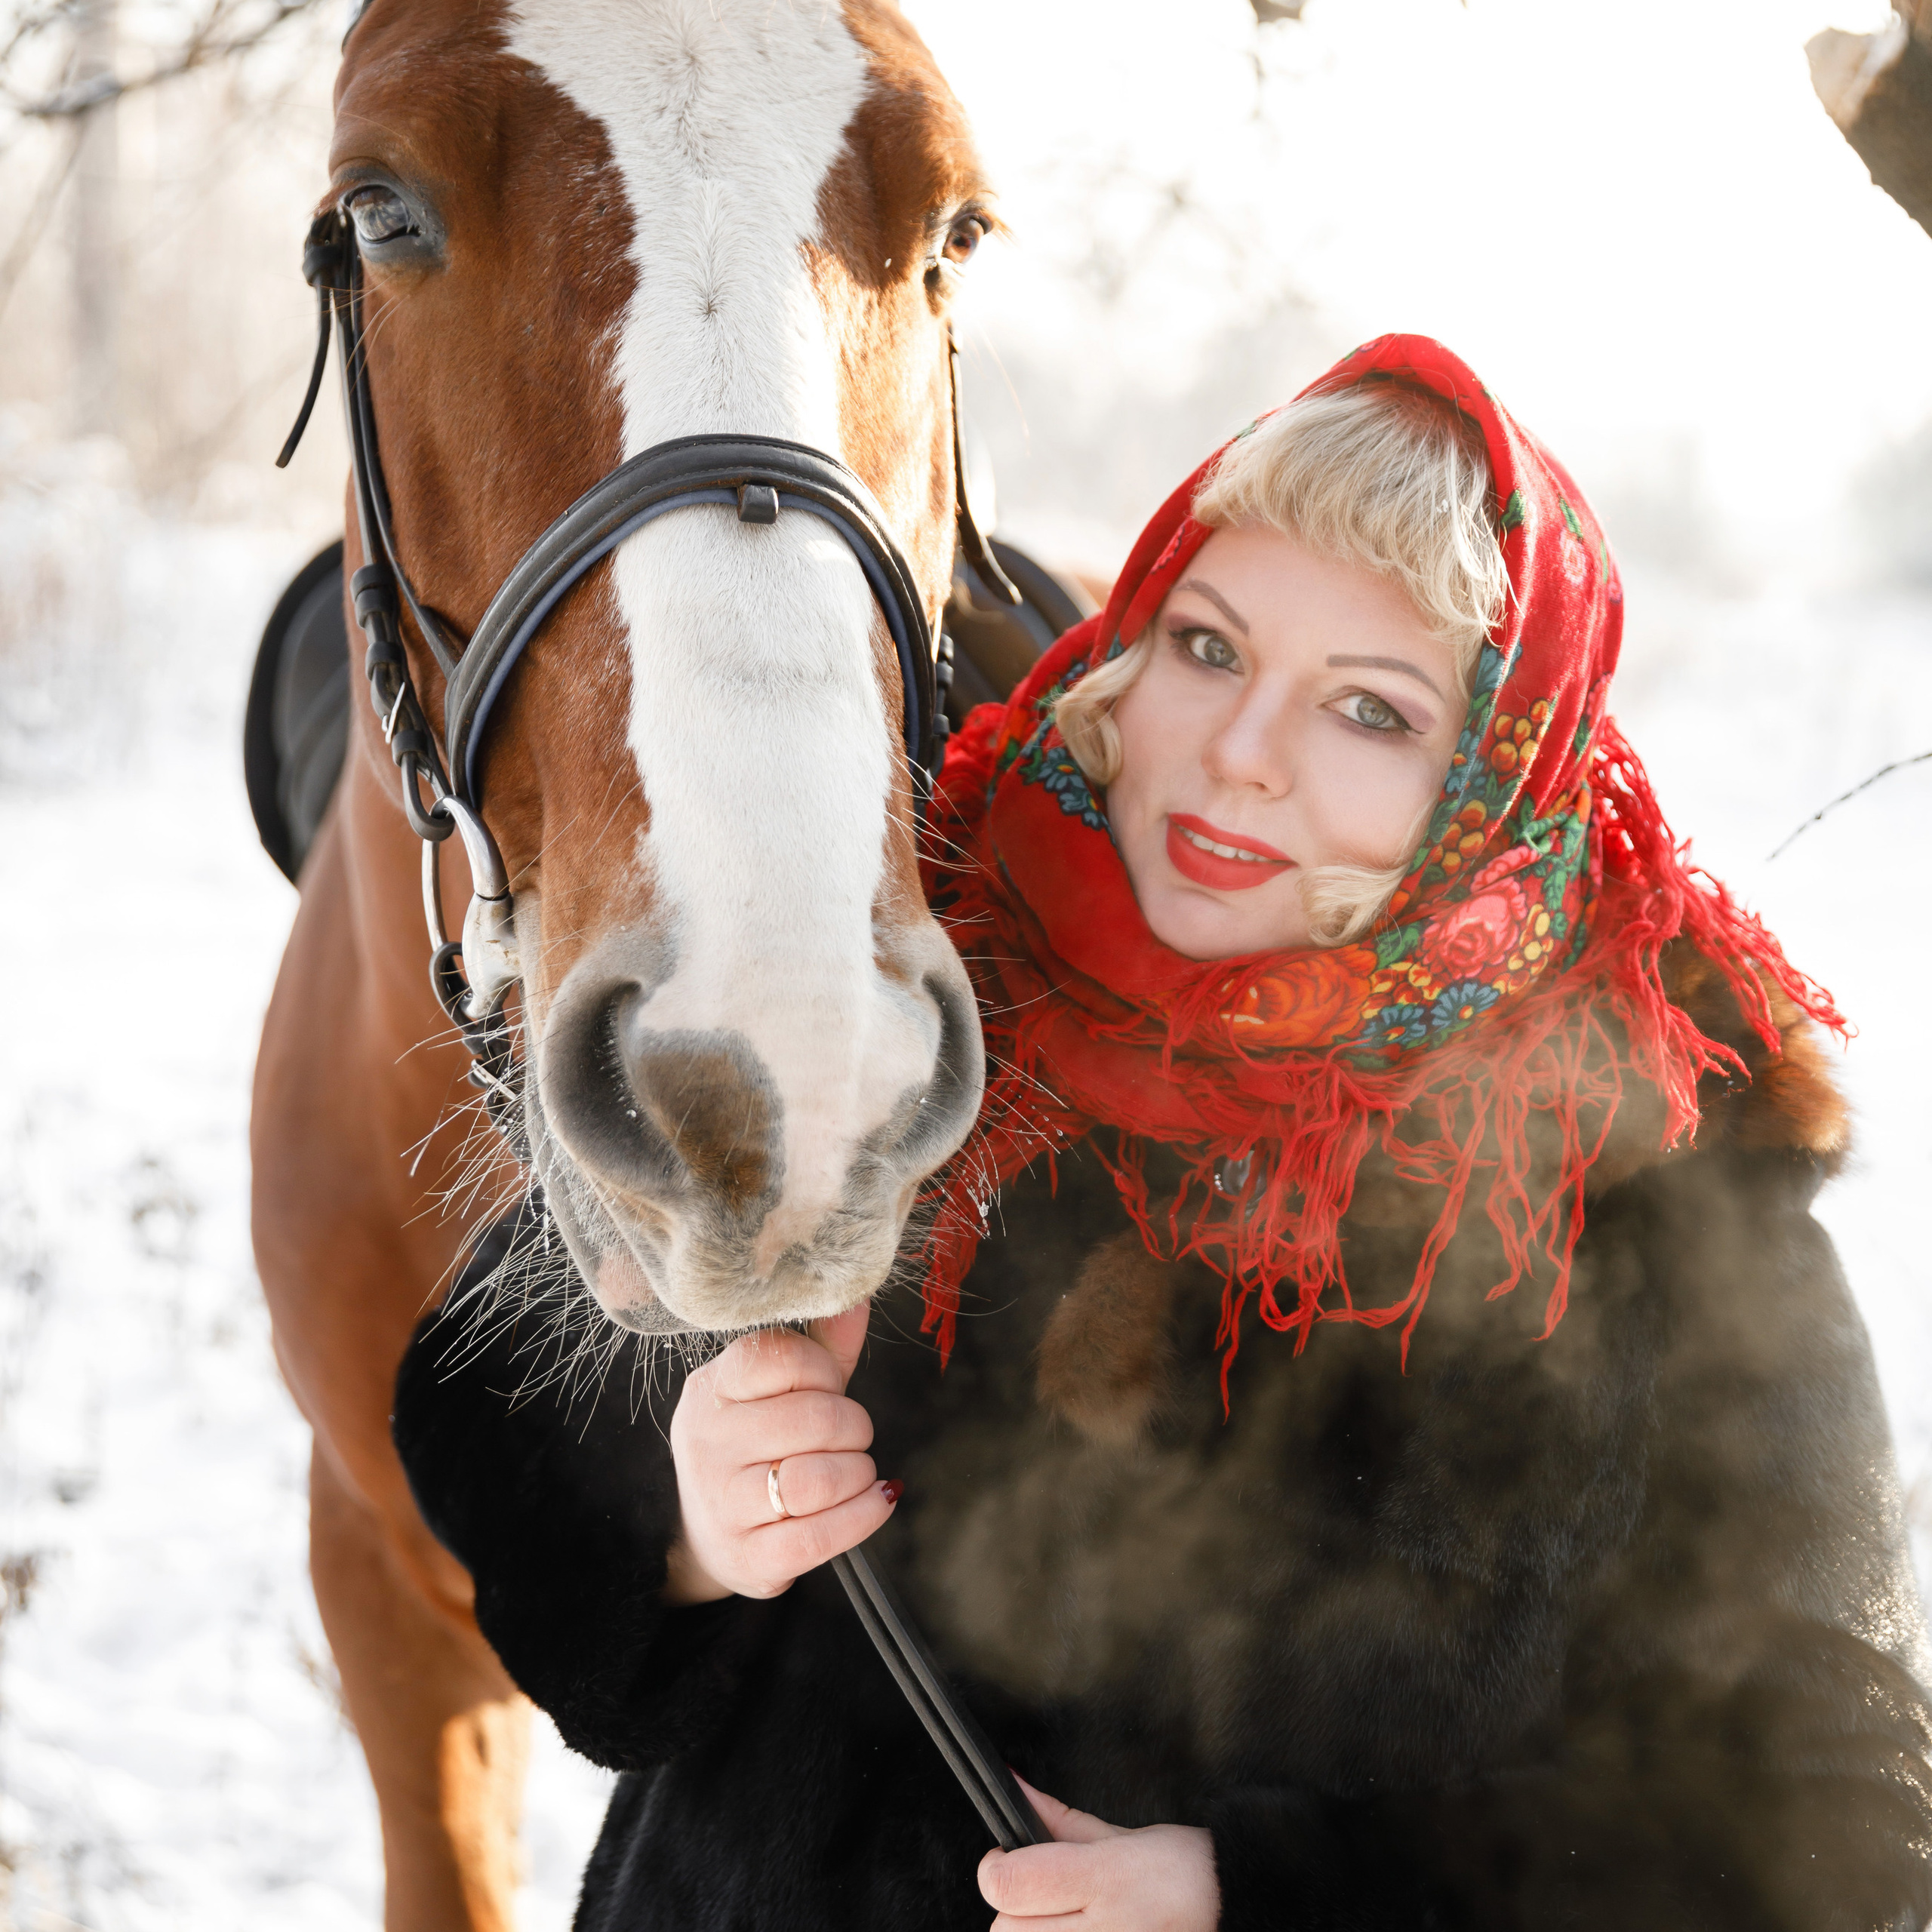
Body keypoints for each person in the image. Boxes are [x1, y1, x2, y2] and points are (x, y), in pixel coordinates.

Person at [395, 335, 1932, 1930]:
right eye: (1206, 645)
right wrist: (690, 1517)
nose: (1240, 748)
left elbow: (1829, 1818)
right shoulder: (916, 1009)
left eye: (1366, 708)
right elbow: (482, 1399)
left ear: (1493, 776)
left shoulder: (1658, 1212)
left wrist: (1259, 1896)